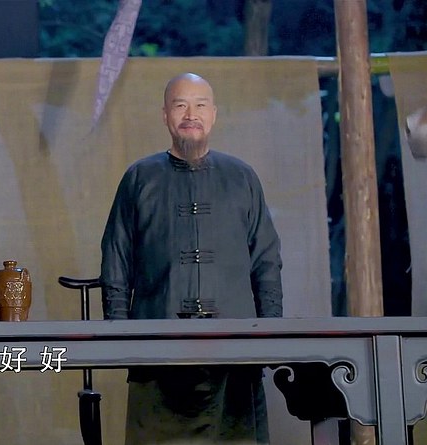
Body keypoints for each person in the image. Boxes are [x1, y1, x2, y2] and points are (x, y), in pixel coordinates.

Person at [100, 72, 283, 445]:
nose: (190, 115)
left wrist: (270, 334)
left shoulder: (242, 178)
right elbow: (116, 261)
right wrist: (121, 336)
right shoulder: (139, 178)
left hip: (234, 351)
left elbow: (266, 262)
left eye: (200, 105)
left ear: (213, 114)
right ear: (165, 115)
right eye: (180, 105)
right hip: (156, 351)